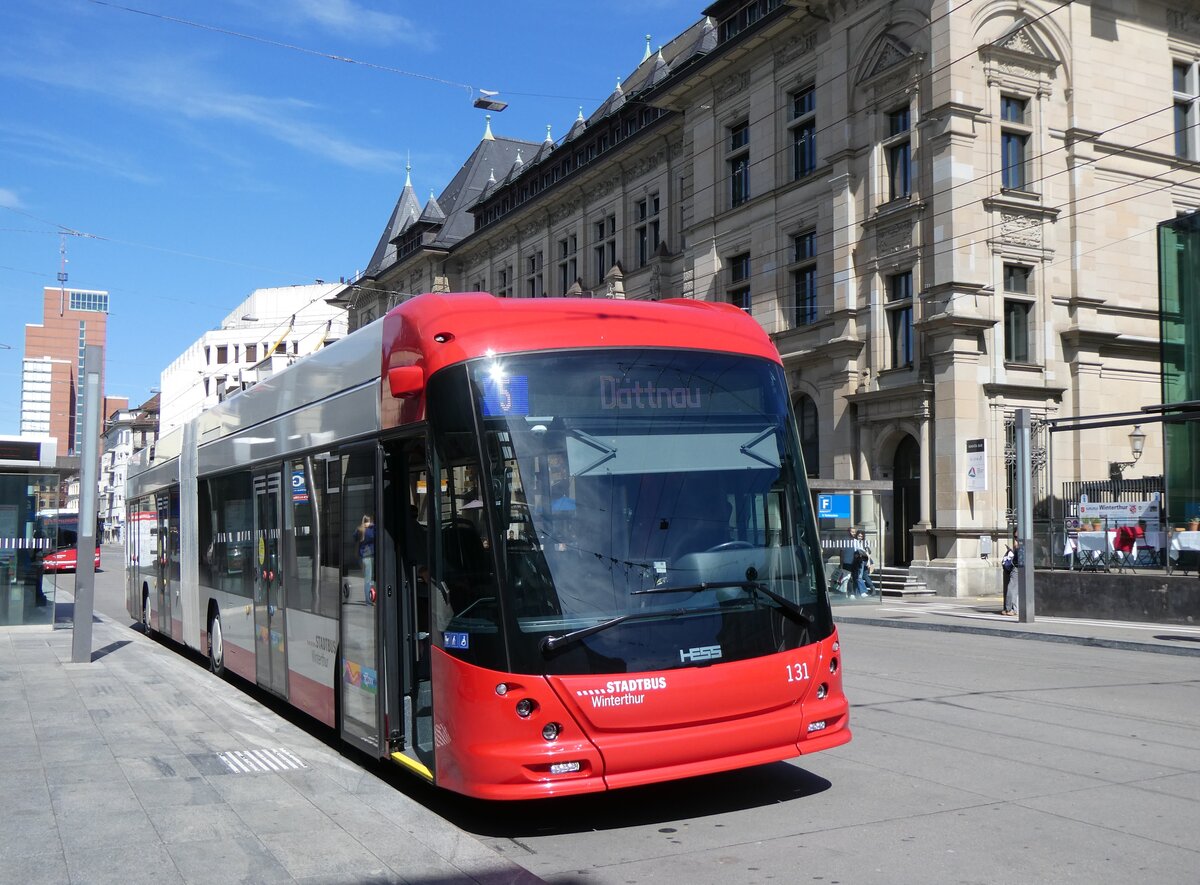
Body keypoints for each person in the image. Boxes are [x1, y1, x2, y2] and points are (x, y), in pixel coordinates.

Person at [356, 514, 376, 604]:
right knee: (369, 579)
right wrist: (372, 525)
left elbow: (354, 536)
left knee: (367, 579)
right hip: (369, 556)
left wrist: (362, 526)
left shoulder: (360, 529)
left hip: (362, 557)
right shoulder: (371, 530)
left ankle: (369, 598)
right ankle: (369, 600)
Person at [1001, 538, 1023, 616]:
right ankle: (1009, 608)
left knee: (1012, 588)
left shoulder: (1019, 549)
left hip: (1017, 569)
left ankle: (1011, 609)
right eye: (1015, 538)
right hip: (1016, 568)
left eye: (1016, 539)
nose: (1015, 541)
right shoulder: (1018, 549)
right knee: (1012, 588)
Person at [855, 530, 875, 597]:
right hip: (861, 561)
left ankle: (866, 590)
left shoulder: (864, 543)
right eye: (859, 536)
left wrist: (869, 562)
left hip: (864, 561)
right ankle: (872, 589)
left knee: (861, 576)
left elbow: (868, 553)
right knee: (864, 575)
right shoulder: (856, 542)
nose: (860, 537)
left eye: (861, 536)